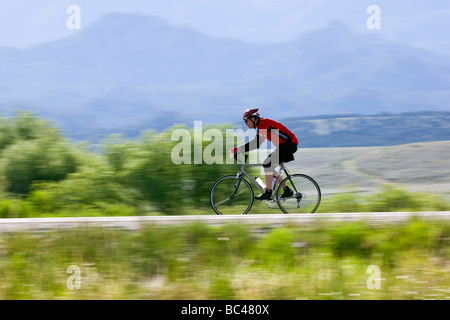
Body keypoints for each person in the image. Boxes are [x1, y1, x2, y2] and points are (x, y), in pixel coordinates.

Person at [230, 108, 298, 200]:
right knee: (270, 165)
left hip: (289, 145)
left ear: (253, 119)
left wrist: (239, 149)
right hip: (285, 145)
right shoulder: (261, 125)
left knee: (267, 163)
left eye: (246, 121)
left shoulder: (263, 123)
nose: (246, 124)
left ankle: (268, 193)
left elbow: (256, 143)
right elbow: (258, 142)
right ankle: (286, 190)